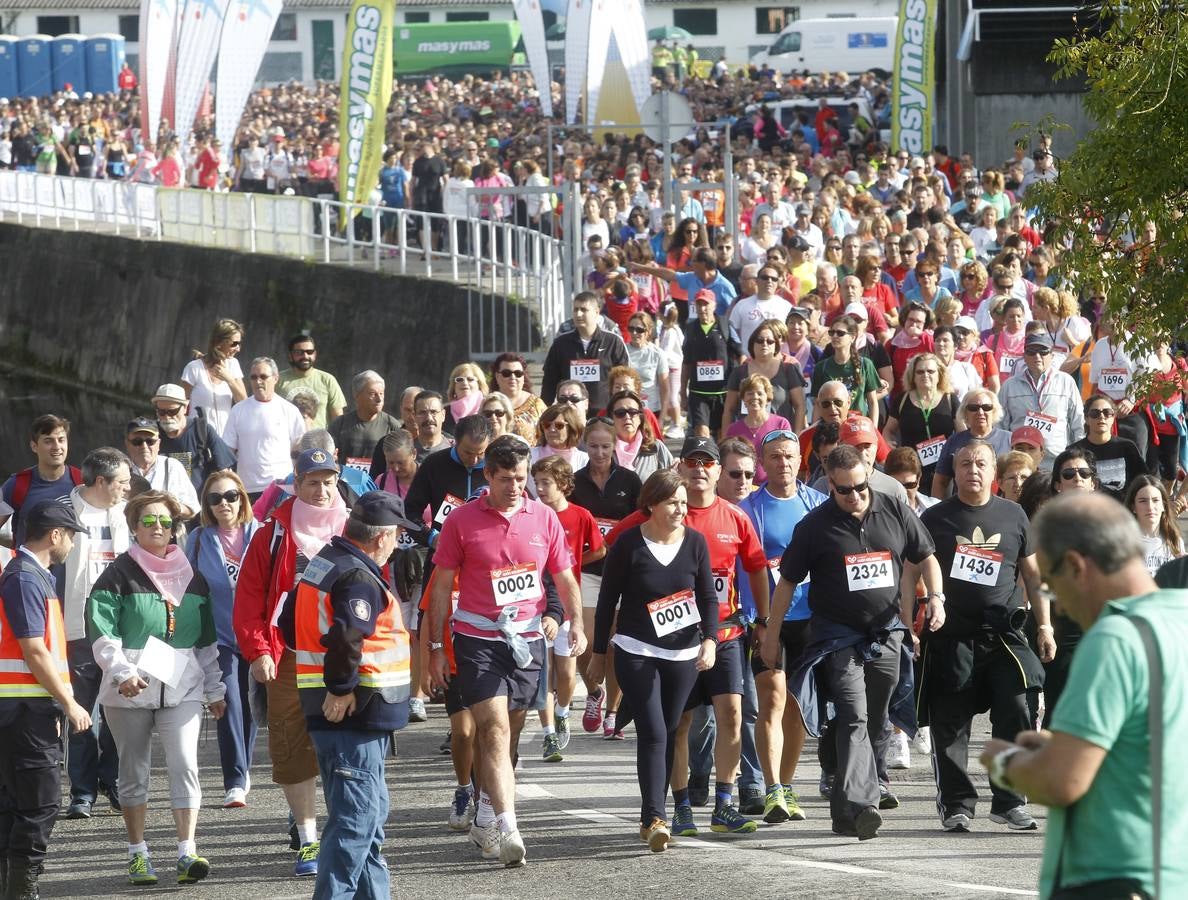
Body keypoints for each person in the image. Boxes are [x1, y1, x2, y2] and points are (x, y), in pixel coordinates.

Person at [979, 492, 1188, 898]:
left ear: (1076, 565)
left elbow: (1063, 782)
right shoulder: (1179, 621)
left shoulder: (1114, 637)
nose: (1062, 608)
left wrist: (1005, 762)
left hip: (1112, 874)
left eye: (1053, 589)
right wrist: (1065, 748)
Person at [426, 436, 586, 867]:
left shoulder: (544, 518)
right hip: (478, 638)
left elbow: (565, 577)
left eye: (521, 478)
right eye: (505, 479)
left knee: (510, 734)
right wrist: (436, 647)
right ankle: (508, 825)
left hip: (528, 640)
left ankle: (483, 808)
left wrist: (576, 624)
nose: (515, 487)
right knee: (492, 728)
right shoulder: (462, 521)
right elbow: (440, 587)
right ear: (488, 477)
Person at [605, 436, 770, 836]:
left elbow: (757, 567)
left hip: (725, 631)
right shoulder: (665, 513)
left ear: (717, 470)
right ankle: (680, 805)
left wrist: (764, 620)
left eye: (708, 462)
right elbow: (618, 546)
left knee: (733, 712)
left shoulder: (734, 517)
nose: (700, 468)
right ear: (680, 467)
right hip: (673, 639)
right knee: (679, 722)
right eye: (692, 461)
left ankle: (725, 803)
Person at [780, 444, 944, 840]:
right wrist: (770, 635)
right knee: (854, 715)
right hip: (838, 636)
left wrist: (936, 598)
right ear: (829, 483)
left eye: (860, 487)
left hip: (887, 632)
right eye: (844, 490)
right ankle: (865, 804)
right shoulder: (815, 525)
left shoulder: (894, 508)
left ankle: (843, 811)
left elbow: (927, 556)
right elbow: (786, 581)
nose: (854, 497)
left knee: (875, 719)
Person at [86, 490, 226, 886]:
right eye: (148, 521)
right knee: (133, 772)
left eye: (165, 521)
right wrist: (121, 672)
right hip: (127, 691)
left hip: (183, 689)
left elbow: (206, 641)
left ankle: (187, 852)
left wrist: (215, 689)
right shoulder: (116, 575)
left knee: (185, 764)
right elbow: (102, 633)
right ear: (133, 527)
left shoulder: (192, 576)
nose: (158, 528)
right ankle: (137, 853)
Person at [919, 441, 1053, 832]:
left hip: (1003, 635)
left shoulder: (1013, 515)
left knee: (1019, 704)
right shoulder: (936, 518)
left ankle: (1009, 801)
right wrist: (912, 614)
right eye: (964, 464)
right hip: (951, 635)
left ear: (993, 472)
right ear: (954, 471)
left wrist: (1044, 625)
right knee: (950, 721)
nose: (972, 470)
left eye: (980, 463)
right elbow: (914, 569)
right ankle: (957, 804)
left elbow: (1032, 575)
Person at [292, 492, 418, 899]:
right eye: (398, 535)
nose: (398, 543)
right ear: (381, 538)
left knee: (367, 822)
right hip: (353, 715)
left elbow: (284, 621)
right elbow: (348, 635)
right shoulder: (357, 576)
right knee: (355, 824)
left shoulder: (326, 562)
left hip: (345, 717)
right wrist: (342, 687)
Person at [234, 449, 350, 877]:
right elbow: (248, 596)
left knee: (345, 745)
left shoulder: (354, 529)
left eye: (328, 481)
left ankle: (344, 830)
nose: (321, 490)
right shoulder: (273, 532)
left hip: (342, 656)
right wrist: (259, 649)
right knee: (291, 744)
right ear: (296, 484)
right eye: (312, 482)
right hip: (288, 656)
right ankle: (307, 839)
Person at [591, 469, 718, 852]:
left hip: (681, 653)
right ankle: (654, 816)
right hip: (636, 649)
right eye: (672, 502)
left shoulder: (695, 543)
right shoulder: (629, 543)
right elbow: (606, 601)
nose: (681, 509)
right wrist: (599, 655)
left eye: (684, 502)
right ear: (651, 504)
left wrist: (709, 640)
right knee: (654, 731)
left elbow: (708, 597)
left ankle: (653, 814)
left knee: (668, 726)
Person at [0, 501, 92, 900]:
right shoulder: (24, 577)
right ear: (55, 535)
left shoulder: (30, 575)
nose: (71, 544)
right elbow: (34, 650)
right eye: (70, 535)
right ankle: (23, 889)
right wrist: (68, 704)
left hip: (25, 708)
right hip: (24, 712)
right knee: (40, 804)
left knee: (16, 804)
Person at [747, 431, 828, 824]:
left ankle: (788, 784)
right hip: (767, 623)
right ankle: (772, 788)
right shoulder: (750, 509)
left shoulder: (818, 505)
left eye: (790, 457)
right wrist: (758, 620)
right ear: (764, 462)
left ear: (801, 460)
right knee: (773, 699)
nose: (783, 464)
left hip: (810, 620)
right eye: (776, 457)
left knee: (796, 707)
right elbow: (745, 571)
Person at [61, 448, 131, 821]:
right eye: (122, 481)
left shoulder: (130, 513)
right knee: (82, 711)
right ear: (100, 481)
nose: (127, 488)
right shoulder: (64, 511)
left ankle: (114, 777)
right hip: (76, 626)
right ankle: (82, 790)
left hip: (122, 627)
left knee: (122, 706)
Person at [185, 470, 260, 809]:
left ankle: (242, 766)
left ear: (242, 498)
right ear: (207, 505)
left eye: (230, 496)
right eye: (215, 499)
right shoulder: (199, 538)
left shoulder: (259, 533)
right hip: (220, 637)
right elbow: (186, 586)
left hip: (256, 633)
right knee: (229, 700)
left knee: (252, 705)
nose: (224, 504)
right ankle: (235, 779)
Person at [570, 418, 643, 736]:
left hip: (622, 572)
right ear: (584, 446)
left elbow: (642, 519)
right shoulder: (575, 481)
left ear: (615, 446)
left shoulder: (630, 479)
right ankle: (594, 692)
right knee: (584, 642)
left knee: (615, 645)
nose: (599, 453)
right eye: (593, 446)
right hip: (587, 569)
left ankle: (613, 712)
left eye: (605, 446)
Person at [530, 456, 604, 761]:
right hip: (536, 602)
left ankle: (562, 711)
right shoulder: (531, 514)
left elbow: (599, 549)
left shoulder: (581, 515)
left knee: (565, 670)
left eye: (546, 482)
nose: (540, 489)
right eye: (536, 483)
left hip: (567, 601)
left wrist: (571, 565)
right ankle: (549, 736)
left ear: (563, 484)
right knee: (543, 671)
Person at [222, 357, 306, 500]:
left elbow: (300, 448)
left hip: (281, 487)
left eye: (263, 377)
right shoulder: (238, 410)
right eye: (254, 377)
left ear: (275, 378)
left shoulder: (289, 410)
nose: (258, 381)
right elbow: (227, 450)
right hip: (246, 488)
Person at [999, 333, 1084, 463]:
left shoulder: (1066, 381)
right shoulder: (1009, 385)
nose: (1037, 356)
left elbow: (1078, 421)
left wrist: (1078, 455)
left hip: (1057, 458)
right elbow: (1001, 425)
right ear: (1024, 356)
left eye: (1043, 351)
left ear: (1052, 355)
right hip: (1021, 459)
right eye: (1031, 352)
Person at [0, 414, 82, 549]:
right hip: (30, 569)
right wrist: (19, 545)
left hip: (75, 569)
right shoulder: (17, 484)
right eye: (48, 441)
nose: (57, 447)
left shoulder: (81, 481)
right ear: (34, 446)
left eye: (61, 440)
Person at [883, 353, 961, 495]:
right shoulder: (902, 399)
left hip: (944, 469)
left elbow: (962, 433)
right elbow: (888, 430)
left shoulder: (950, 399)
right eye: (920, 371)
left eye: (930, 371)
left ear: (939, 374)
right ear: (913, 375)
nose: (925, 375)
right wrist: (889, 442)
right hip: (911, 469)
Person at [541, 292, 630, 412]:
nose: (578, 314)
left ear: (596, 312)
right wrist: (543, 410)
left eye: (584, 310)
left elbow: (624, 379)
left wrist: (623, 408)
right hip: (570, 412)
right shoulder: (560, 343)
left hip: (604, 413)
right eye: (575, 309)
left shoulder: (613, 342)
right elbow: (549, 382)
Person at [723, 319, 808, 434]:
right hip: (746, 438)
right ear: (752, 343)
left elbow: (800, 405)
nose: (765, 344)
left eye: (770, 341)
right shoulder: (739, 372)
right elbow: (729, 409)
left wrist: (797, 435)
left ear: (776, 345)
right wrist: (725, 438)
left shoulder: (789, 369)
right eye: (760, 340)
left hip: (781, 437)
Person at [152, 384, 237, 496]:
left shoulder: (201, 430)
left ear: (185, 408)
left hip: (198, 504)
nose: (167, 417)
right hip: (162, 504)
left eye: (172, 412)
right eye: (162, 412)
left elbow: (224, 472)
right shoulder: (151, 434)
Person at [931, 388, 1013, 498]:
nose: (980, 412)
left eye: (986, 407)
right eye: (973, 408)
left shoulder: (1009, 439)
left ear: (994, 411)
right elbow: (940, 482)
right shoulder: (954, 441)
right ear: (965, 413)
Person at [1068, 394, 1149, 499]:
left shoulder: (1127, 447)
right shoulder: (1073, 451)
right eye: (1094, 413)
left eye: (1107, 413)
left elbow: (1142, 483)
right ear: (1086, 419)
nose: (1101, 417)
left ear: (1113, 417)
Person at [180, 318, 247, 438]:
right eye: (234, 343)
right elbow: (180, 405)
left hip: (224, 439)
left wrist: (229, 380)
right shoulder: (193, 368)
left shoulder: (233, 365)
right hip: (196, 438)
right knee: (184, 457)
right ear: (219, 342)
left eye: (239, 343)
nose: (238, 348)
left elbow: (244, 402)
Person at [124, 417, 200, 519]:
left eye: (150, 441)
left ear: (158, 444)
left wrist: (172, 507)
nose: (144, 446)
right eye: (137, 441)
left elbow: (192, 509)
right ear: (127, 444)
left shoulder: (173, 466)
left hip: (166, 530)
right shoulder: (120, 470)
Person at [682, 288, 733, 437]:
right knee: (702, 433)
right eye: (699, 305)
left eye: (706, 304)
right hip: (699, 392)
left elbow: (740, 354)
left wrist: (737, 386)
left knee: (722, 435)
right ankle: (705, 460)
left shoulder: (725, 325)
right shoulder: (690, 328)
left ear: (714, 305)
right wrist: (682, 393)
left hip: (722, 392)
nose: (702, 308)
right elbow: (686, 363)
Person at [331, 371, 402, 475]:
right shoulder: (339, 424)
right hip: (345, 485)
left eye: (381, 393)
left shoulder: (392, 426)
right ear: (356, 395)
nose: (379, 399)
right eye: (373, 394)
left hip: (377, 487)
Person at [725, 374, 792, 482]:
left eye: (760, 393)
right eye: (750, 393)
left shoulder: (781, 424)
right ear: (743, 398)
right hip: (743, 488)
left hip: (773, 486)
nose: (755, 397)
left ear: (768, 397)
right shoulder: (733, 429)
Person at [276, 333, 347, 429]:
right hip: (287, 442)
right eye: (299, 352)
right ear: (290, 355)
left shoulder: (327, 380)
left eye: (309, 352)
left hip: (318, 442)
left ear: (315, 354)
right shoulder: (277, 379)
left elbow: (338, 418)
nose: (305, 356)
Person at [608, 389, 673, 482]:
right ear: (612, 418)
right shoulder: (604, 449)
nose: (627, 417)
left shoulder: (656, 447)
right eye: (620, 413)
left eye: (633, 412)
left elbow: (672, 483)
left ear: (640, 418)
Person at [1126, 475, 1184, 576]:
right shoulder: (1122, 542)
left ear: (1163, 505)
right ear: (1133, 507)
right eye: (1143, 501)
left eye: (1155, 500)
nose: (1150, 507)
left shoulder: (1175, 540)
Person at [491, 352, 546, 443]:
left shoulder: (537, 404)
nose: (512, 377)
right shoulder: (488, 404)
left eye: (518, 373)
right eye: (506, 373)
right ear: (497, 376)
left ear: (523, 376)